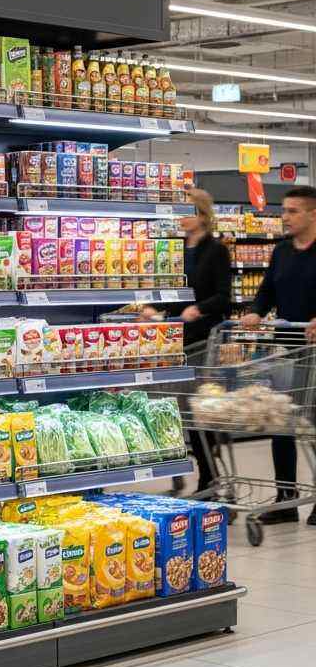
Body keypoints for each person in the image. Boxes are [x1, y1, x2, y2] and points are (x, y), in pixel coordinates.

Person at [141, 188, 232, 494]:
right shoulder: (175, 249)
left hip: (204, 340)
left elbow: (223, 296)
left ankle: (209, 477)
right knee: (177, 410)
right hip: (175, 339)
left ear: (202, 215)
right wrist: (153, 307)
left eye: (187, 210)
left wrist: (199, 308)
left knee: (197, 412)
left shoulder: (216, 251)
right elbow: (169, 289)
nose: (180, 216)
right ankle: (180, 471)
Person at [240, 185, 316, 525]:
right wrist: (256, 311)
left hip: (315, 352)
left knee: (313, 426)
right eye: (284, 210)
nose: (285, 217)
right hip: (287, 348)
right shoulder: (282, 251)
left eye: (292, 211)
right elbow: (267, 290)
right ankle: (286, 500)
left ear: (313, 214)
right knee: (281, 423)